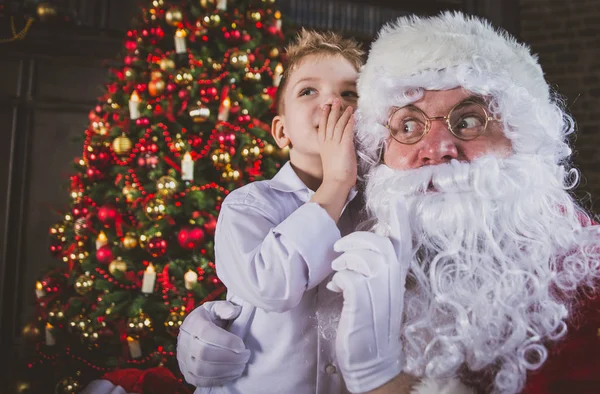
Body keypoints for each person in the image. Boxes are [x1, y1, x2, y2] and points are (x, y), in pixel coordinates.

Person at [178, 12, 600, 394]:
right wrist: (216, 319)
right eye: (410, 124)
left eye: (468, 121)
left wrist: (381, 379)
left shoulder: (575, 263)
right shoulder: (270, 204)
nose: (435, 149)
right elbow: (265, 283)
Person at [177, 29, 365, 394]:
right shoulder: (248, 205)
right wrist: (337, 182)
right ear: (282, 132)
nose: (332, 103)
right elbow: (273, 287)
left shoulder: (381, 208)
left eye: (349, 93)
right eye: (308, 91)